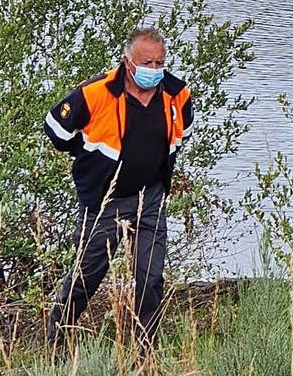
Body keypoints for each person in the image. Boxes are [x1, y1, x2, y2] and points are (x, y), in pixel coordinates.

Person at [43, 27, 193, 353]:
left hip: (150, 200)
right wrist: (90, 158)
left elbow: (183, 129)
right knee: (86, 278)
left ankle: (145, 355)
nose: (154, 70)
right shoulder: (96, 92)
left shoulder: (176, 93)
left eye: (159, 63)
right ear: (128, 62)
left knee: (150, 280)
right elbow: (56, 130)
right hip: (103, 204)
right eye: (147, 63)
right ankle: (57, 341)